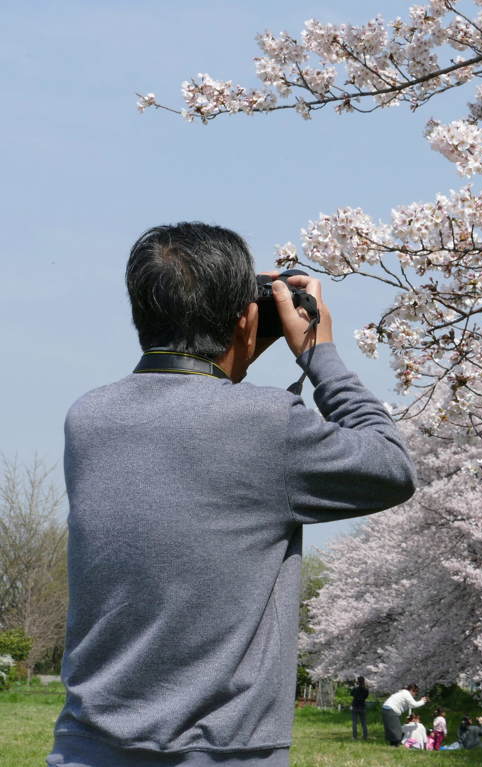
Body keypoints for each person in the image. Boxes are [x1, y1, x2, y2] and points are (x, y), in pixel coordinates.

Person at [46, 222, 416, 767]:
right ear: (246, 318)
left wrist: (236, 348)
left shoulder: (89, 417)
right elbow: (392, 466)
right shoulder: (267, 423)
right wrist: (319, 355)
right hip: (223, 752)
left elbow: (193, 427)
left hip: (86, 747)